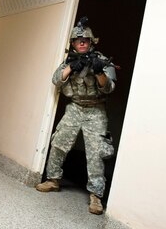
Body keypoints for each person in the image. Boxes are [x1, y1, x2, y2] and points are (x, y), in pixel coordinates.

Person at [35, 17, 116, 215]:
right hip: (74, 108)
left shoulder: (101, 60)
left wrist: (98, 71)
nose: (81, 43)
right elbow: (56, 80)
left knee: (96, 153)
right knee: (59, 142)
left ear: (91, 42)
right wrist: (72, 67)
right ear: (72, 43)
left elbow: (109, 88)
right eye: (77, 40)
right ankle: (53, 180)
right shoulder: (69, 61)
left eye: (85, 40)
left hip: (96, 110)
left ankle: (96, 196)